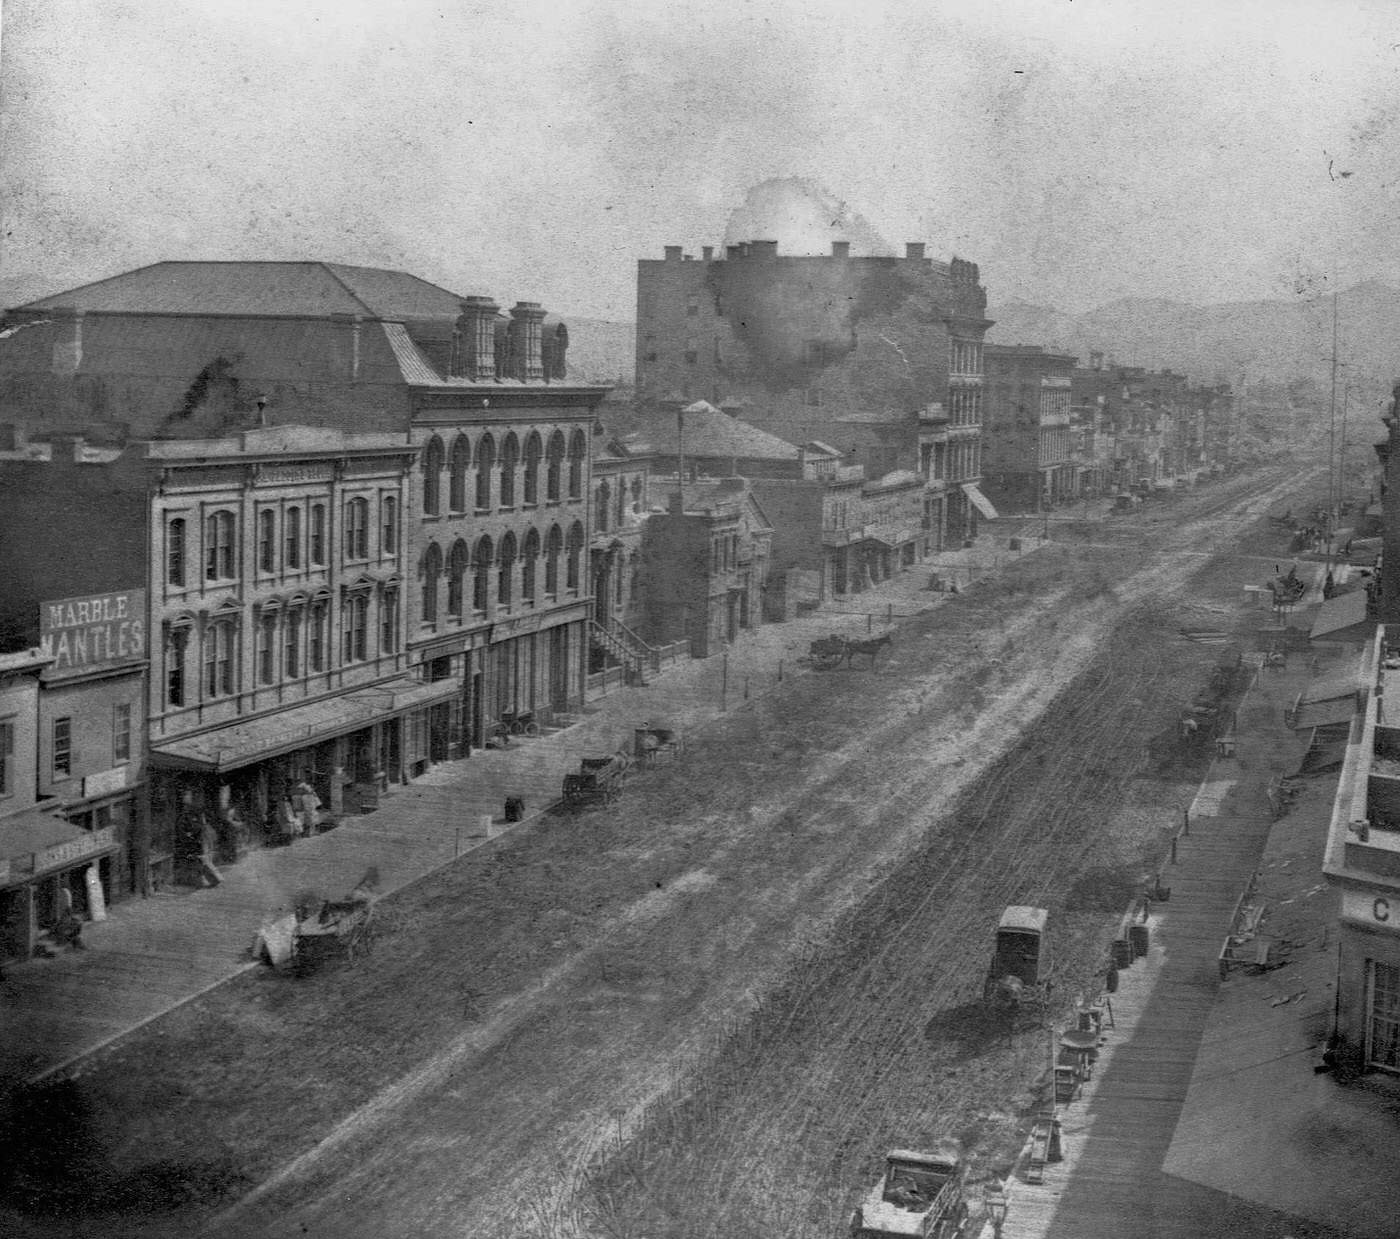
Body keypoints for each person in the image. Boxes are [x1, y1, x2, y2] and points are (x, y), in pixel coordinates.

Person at [197, 813, 222, 887]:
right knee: (208, 864)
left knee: (207, 864)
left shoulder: (205, 828)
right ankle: (216, 879)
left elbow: (207, 839)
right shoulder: (208, 827)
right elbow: (213, 838)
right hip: (209, 848)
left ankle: (216, 879)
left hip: (206, 848)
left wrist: (207, 848)